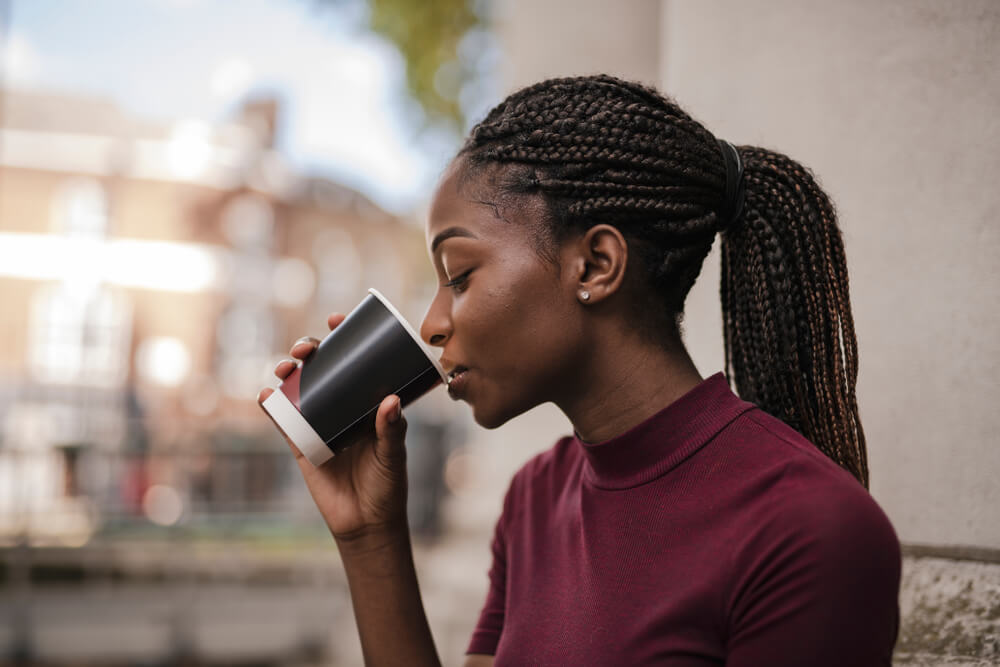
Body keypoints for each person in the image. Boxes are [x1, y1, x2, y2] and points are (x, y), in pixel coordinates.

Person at [258, 74, 901, 666]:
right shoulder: (535, 498)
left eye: (458, 276)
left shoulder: (810, 530)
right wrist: (371, 539)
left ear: (595, 265)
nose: (431, 323)